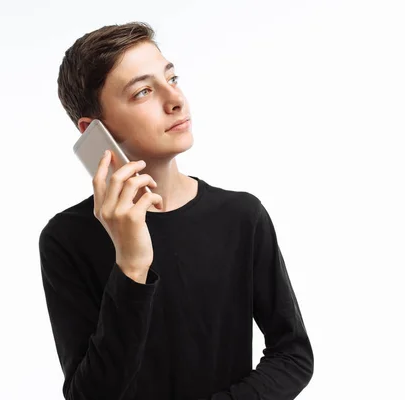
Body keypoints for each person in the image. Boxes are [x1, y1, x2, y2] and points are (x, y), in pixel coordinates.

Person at [39, 21, 314, 400]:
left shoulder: (241, 216)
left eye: (172, 78)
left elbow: (293, 354)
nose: (175, 100)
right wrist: (131, 268)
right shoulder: (66, 238)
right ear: (94, 131)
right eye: (143, 92)